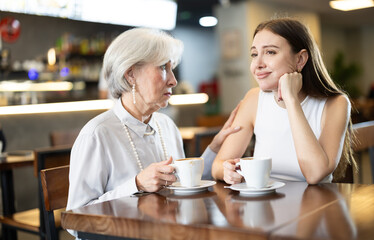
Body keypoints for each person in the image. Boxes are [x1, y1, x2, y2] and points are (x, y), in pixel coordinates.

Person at [66, 28, 240, 215]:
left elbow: (184, 184)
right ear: (131, 74)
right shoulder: (97, 134)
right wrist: (137, 184)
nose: (174, 80)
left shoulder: (166, 125)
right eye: (163, 67)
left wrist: (215, 147)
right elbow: (76, 218)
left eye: (172, 68)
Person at [212, 17, 356, 185]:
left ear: (300, 59)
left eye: (270, 52)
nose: (257, 64)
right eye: (254, 54)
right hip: (266, 205)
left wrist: (291, 100)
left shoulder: (336, 103)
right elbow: (217, 165)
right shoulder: (253, 99)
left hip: (315, 205)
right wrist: (227, 171)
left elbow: (315, 174)